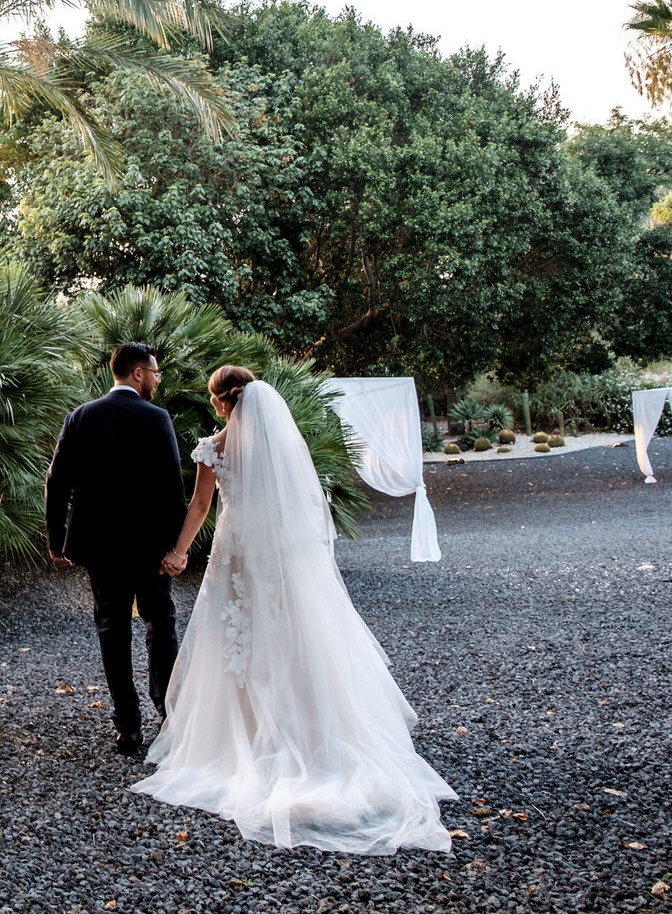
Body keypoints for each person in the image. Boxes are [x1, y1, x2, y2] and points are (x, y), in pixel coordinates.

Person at [131, 365, 454, 853]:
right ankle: (311, 729)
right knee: (292, 636)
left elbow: (199, 507)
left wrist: (178, 553)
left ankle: (239, 738)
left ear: (221, 402)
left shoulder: (212, 449)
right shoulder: (279, 443)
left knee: (235, 642)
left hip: (236, 554)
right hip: (281, 557)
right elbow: (304, 500)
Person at [45, 342, 188, 756]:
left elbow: (57, 481)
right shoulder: (157, 418)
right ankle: (167, 713)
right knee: (160, 622)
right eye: (156, 373)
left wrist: (57, 539)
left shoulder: (81, 417)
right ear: (138, 373)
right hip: (150, 546)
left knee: (112, 627)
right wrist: (175, 548)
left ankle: (127, 726)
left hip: (100, 545)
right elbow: (171, 490)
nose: (158, 381)